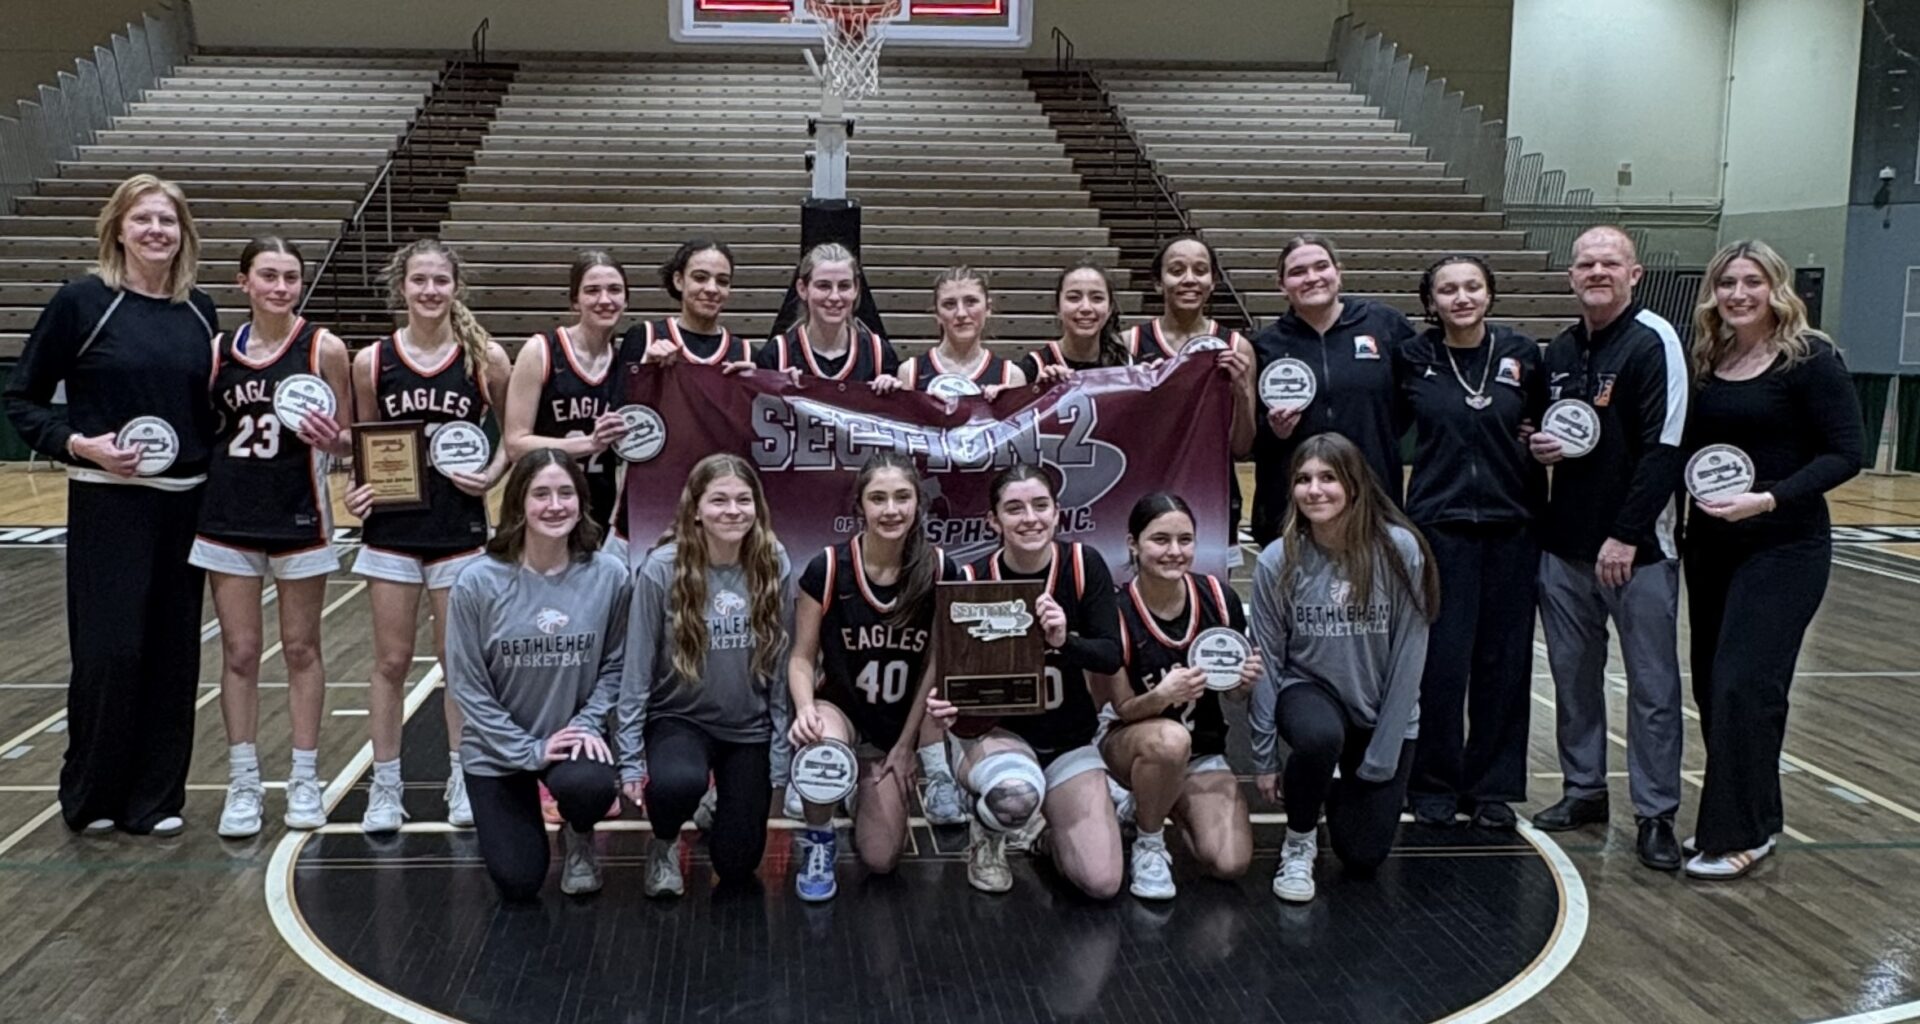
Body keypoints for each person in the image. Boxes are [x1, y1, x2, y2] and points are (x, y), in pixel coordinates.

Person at [2, 174, 218, 836]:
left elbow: (214, 412)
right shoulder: (82, 302)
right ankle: (91, 795)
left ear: (184, 234)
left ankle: (154, 800)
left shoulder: (201, 312)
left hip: (184, 507)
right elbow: (22, 400)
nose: (157, 230)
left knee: (173, 654)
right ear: (117, 228)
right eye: (144, 219)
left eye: (169, 221)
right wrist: (78, 444)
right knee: (110, 653)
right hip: (109, 507)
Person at [1680, 240, 1862, 879]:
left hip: (1784, 548)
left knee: (1743, 685)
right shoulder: (1710, 356)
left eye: (1751, 281)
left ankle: (1739, 834)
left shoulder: (1811, 361)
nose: (1737, 293)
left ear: (1777, 288)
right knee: (1712, 688)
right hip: (1710, 549)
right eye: (1726, 281)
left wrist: (1769, 499)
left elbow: (1846, 453)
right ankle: (1753, 816)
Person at [1529, 225, 1690, 871]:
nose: (1597, 272)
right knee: (1573, 678)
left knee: (1652, 687)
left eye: (1609, 263)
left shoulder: (1656, 341)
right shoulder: (1562, 348)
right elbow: (1545, 430)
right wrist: (1536, 445)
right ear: (1570, 276)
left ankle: (1656, 813)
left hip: (1637, 553)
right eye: (1586, 264)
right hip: (1564, 548)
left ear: (1635, 273)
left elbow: (1666, 448)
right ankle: (1584, 790)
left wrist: (1625, 533)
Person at [345, 238, 512, 834]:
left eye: (440, 280)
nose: (431, 291)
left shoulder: (485, 358)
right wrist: (355, 490)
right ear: (403, 287)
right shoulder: (372, 361)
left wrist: (489, 477)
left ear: (455, 287)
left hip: (459, 528)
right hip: (391, 528)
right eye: (420, 281)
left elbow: (512, 437)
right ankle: (385, 786)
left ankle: (462, 777)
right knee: (390, 660)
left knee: (456, 662)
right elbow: (365, 443)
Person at [191, 237, 353, 838]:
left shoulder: (324, 347)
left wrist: (333, 441)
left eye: (290, 277)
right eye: (268, 276)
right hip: (228, 515)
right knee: (237, 652)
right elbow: (204, 425)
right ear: (243, 282)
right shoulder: (217, 350)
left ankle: (303, 776)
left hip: (299, 515)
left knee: (301, 648)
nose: (281, 287)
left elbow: (351, 436)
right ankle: (243, 780)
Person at [1249, 433, 1437, 902]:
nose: (1315, 490)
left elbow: (1411, 655)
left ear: (1353, 485)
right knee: (1318, 739)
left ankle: (1329, 789)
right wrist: (1265, 755)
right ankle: (1299, 841)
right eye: (1303, 479)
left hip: (1380, 712)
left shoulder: (1399, 550)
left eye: (1328, 478)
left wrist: (1381, 756)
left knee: (1363, 857)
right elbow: (1268, 661)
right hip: (1310, 691)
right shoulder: (1278, 559)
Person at [1394, 256, 1546, 830]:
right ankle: (1432, 781)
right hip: (1439, 527)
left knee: (1504, 663)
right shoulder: (1413, 358)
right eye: (1449, 290)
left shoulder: (1522, 355)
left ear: (1490, 293)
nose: (1462, 298)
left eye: (1473, 287)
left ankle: (1493, 787)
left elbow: (1548, 423)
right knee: (1441, 662)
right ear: (1431, 301)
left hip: (1513, 526)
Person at [926, 463, 1126, 898]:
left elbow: (1110, 655)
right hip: (999, 734)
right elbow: (952, 678)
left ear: (1057, 513)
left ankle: (1037, 832)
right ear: (993, 521)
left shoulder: (1082, 564)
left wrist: (1064, 640)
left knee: (1102, 882)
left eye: (1040, 506)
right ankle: (989, 832)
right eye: (1014, 509)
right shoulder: (972, 578)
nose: (1030, 518)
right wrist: (944, 705)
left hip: (1069, 738)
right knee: (1014, 795)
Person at [445, 450, 628, 900]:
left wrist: (586, 724)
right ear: (518, 504)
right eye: (540, 494)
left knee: (589, 787)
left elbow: (617, 666)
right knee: (519, 881)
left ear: (581, 502)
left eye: (566, 493)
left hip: (572, 740)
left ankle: (579, 833)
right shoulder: (477, 582)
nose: (554, 505)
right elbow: (467, 685)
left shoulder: (609, 575)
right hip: (496, 748)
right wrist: (527, 749)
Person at [786, 453, 964, 900]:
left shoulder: (942, 569)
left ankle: (855, 786)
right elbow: (802, 659)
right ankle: (818, 837)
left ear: (918, 504)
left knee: (881, 859)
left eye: (903, 497)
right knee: (820, 744)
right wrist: (805, 708)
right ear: (860, 507)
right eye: (878, 498)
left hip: (896, 724)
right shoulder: (827, 567)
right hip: (840, 710)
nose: (891, 509)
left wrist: (907, 748)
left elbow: (935, 667)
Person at [620, 454, 793, 896]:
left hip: (747, 729)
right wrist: (630, 759)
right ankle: (662, 843)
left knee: (737, 867)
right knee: (679, 782)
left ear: (758, 507)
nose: (732, 511)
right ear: (695, 508)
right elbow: (636, 670)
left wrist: (778, 754)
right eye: (718, 500)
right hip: (680, 719)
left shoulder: (773, 560)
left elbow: (780, 665)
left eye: (743, 500)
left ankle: (719, 804)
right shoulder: (662, 567)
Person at [1095, 493, 1259, 900]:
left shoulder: (1220, 600)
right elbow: (1122, 708)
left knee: (1230, 863)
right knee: (1170, 740)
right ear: (1133, 544)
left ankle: (1153, 799)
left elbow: (1233, 696)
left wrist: (1245, 682)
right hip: (1127, 743)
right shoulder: (1113, 611)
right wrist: (1162, 696)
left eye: (1185, 540)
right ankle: (1149, 841)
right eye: (1160, 540)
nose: (1174, 551)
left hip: (1200, 751)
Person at [1250, 234, 1416, 546]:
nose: (1312, 278)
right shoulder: (1264, 346)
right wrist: (1275, 431)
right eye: (1298, 272)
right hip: (1295, 509)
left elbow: (1416, 401)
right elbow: (1250, 434)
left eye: (1321, 267)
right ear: (1281, 285)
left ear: (1338, 273)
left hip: (1374, 499)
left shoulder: (1386, 326)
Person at [1121, 236, 1258, 542]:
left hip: (1212, 490)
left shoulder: (1238, 348)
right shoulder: (1128, 344)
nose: (1189, 279)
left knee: (1211, 587)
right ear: (1158, 283)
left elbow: (1241, 447)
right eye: (1177, 270)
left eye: (1200, 270)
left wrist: (1242, 393)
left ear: (1213, 282)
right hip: (1144, 487)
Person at [503, 251, 634, 533]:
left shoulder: (624, 363)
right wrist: (590, 444)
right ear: (575, 301)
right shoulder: (541, 350)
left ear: (626, 299)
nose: (605, 300)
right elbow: (515, 444)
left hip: (596, 507)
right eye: (592, 291)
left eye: (614, 290)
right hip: (539, 507)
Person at [755, 243, 901, 389]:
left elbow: (900, 410)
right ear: (802, 289)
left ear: (856, 289)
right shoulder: (777, 355)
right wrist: (775, 389)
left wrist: (894, 394)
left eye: (844, 286)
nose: (835, 296)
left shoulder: (879, 355)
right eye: (823, 286)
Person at [897, 267, 1027, 395]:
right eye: (949, 304)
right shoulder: (910, 372)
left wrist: (1002, 408)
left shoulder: (1011, 376)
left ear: (988, 308)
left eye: (971, 302)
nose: (961, 313)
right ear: (937, 314)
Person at [1021, 258, 1134, 385]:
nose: (1086, 308)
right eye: (1073, 298)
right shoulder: (1034, 367)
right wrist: (1036, 394)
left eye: (1097, 298)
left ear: (1109, 309)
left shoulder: (1126, 365)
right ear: (1058, 307)